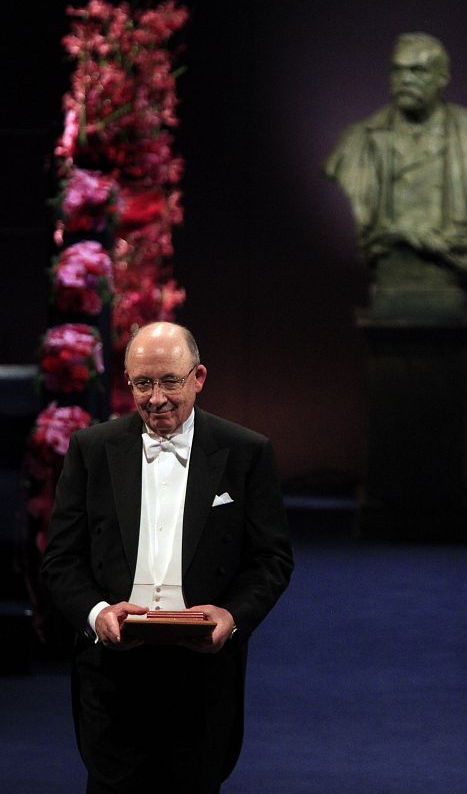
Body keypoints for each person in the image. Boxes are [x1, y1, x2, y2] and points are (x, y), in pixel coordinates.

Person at [41, 321, 294, 794]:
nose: (156, 398)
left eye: (170, 382)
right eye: (143, 383)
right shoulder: (91, 449)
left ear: (198, 378)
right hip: (113, 671)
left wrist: (232, 617)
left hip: (202, 672)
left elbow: (271, 559)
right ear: (128, 381)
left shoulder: (247, 452)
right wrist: (97, 614)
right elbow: (61, 559)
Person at [323, 32, 467, 320]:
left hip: (446, 279)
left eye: (418, 71)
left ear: (443, 78)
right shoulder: (357, 142)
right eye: (397, 70)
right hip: (388, 276)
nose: (405, 79)